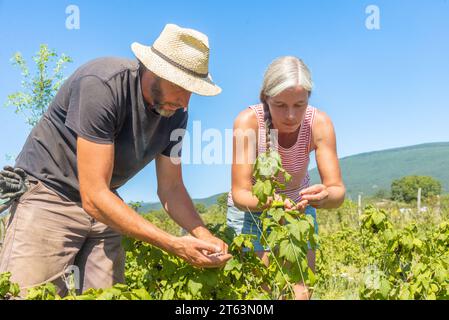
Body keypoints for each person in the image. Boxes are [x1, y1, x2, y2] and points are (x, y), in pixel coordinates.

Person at [0, 23, 231, 296]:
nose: (185, 102)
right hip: (50, 197)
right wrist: (172, 243)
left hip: (105, 205)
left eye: (193, 91)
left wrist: (202, 234)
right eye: (182, 87)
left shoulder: (176, 114)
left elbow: (171, 188)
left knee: (110, 293)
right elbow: (93, 194)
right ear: (154, 71)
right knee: (28, 293)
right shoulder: (102, 85)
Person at [227, 56, 346, 299]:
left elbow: (337, 191)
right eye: (280, 105)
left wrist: (324, 196)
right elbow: (241, 194)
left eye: (299, 105)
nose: (291, 115)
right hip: (252, 212)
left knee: (300, 291)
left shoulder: (319, 124)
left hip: (298, 213)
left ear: (308, 100)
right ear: (265, 98)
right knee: (261, 292)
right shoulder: (249, 122)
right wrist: (274, 203)